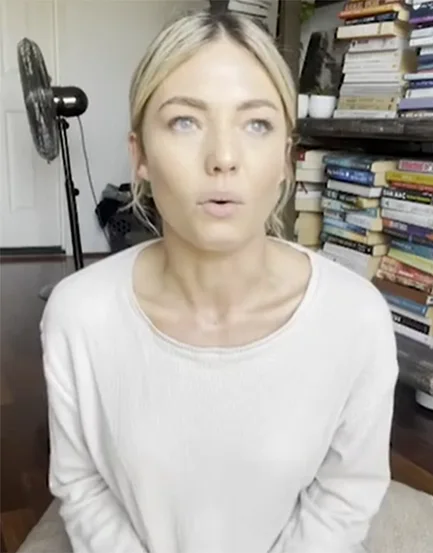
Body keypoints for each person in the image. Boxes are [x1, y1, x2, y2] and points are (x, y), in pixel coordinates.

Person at [40, 10, 399, 552]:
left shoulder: (356, 318)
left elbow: (346, 492)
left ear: (286, 158)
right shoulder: (77, 315)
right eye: (185, 121)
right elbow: (80, 483)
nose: (224, 159)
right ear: (138, 154)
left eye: (256, 123)